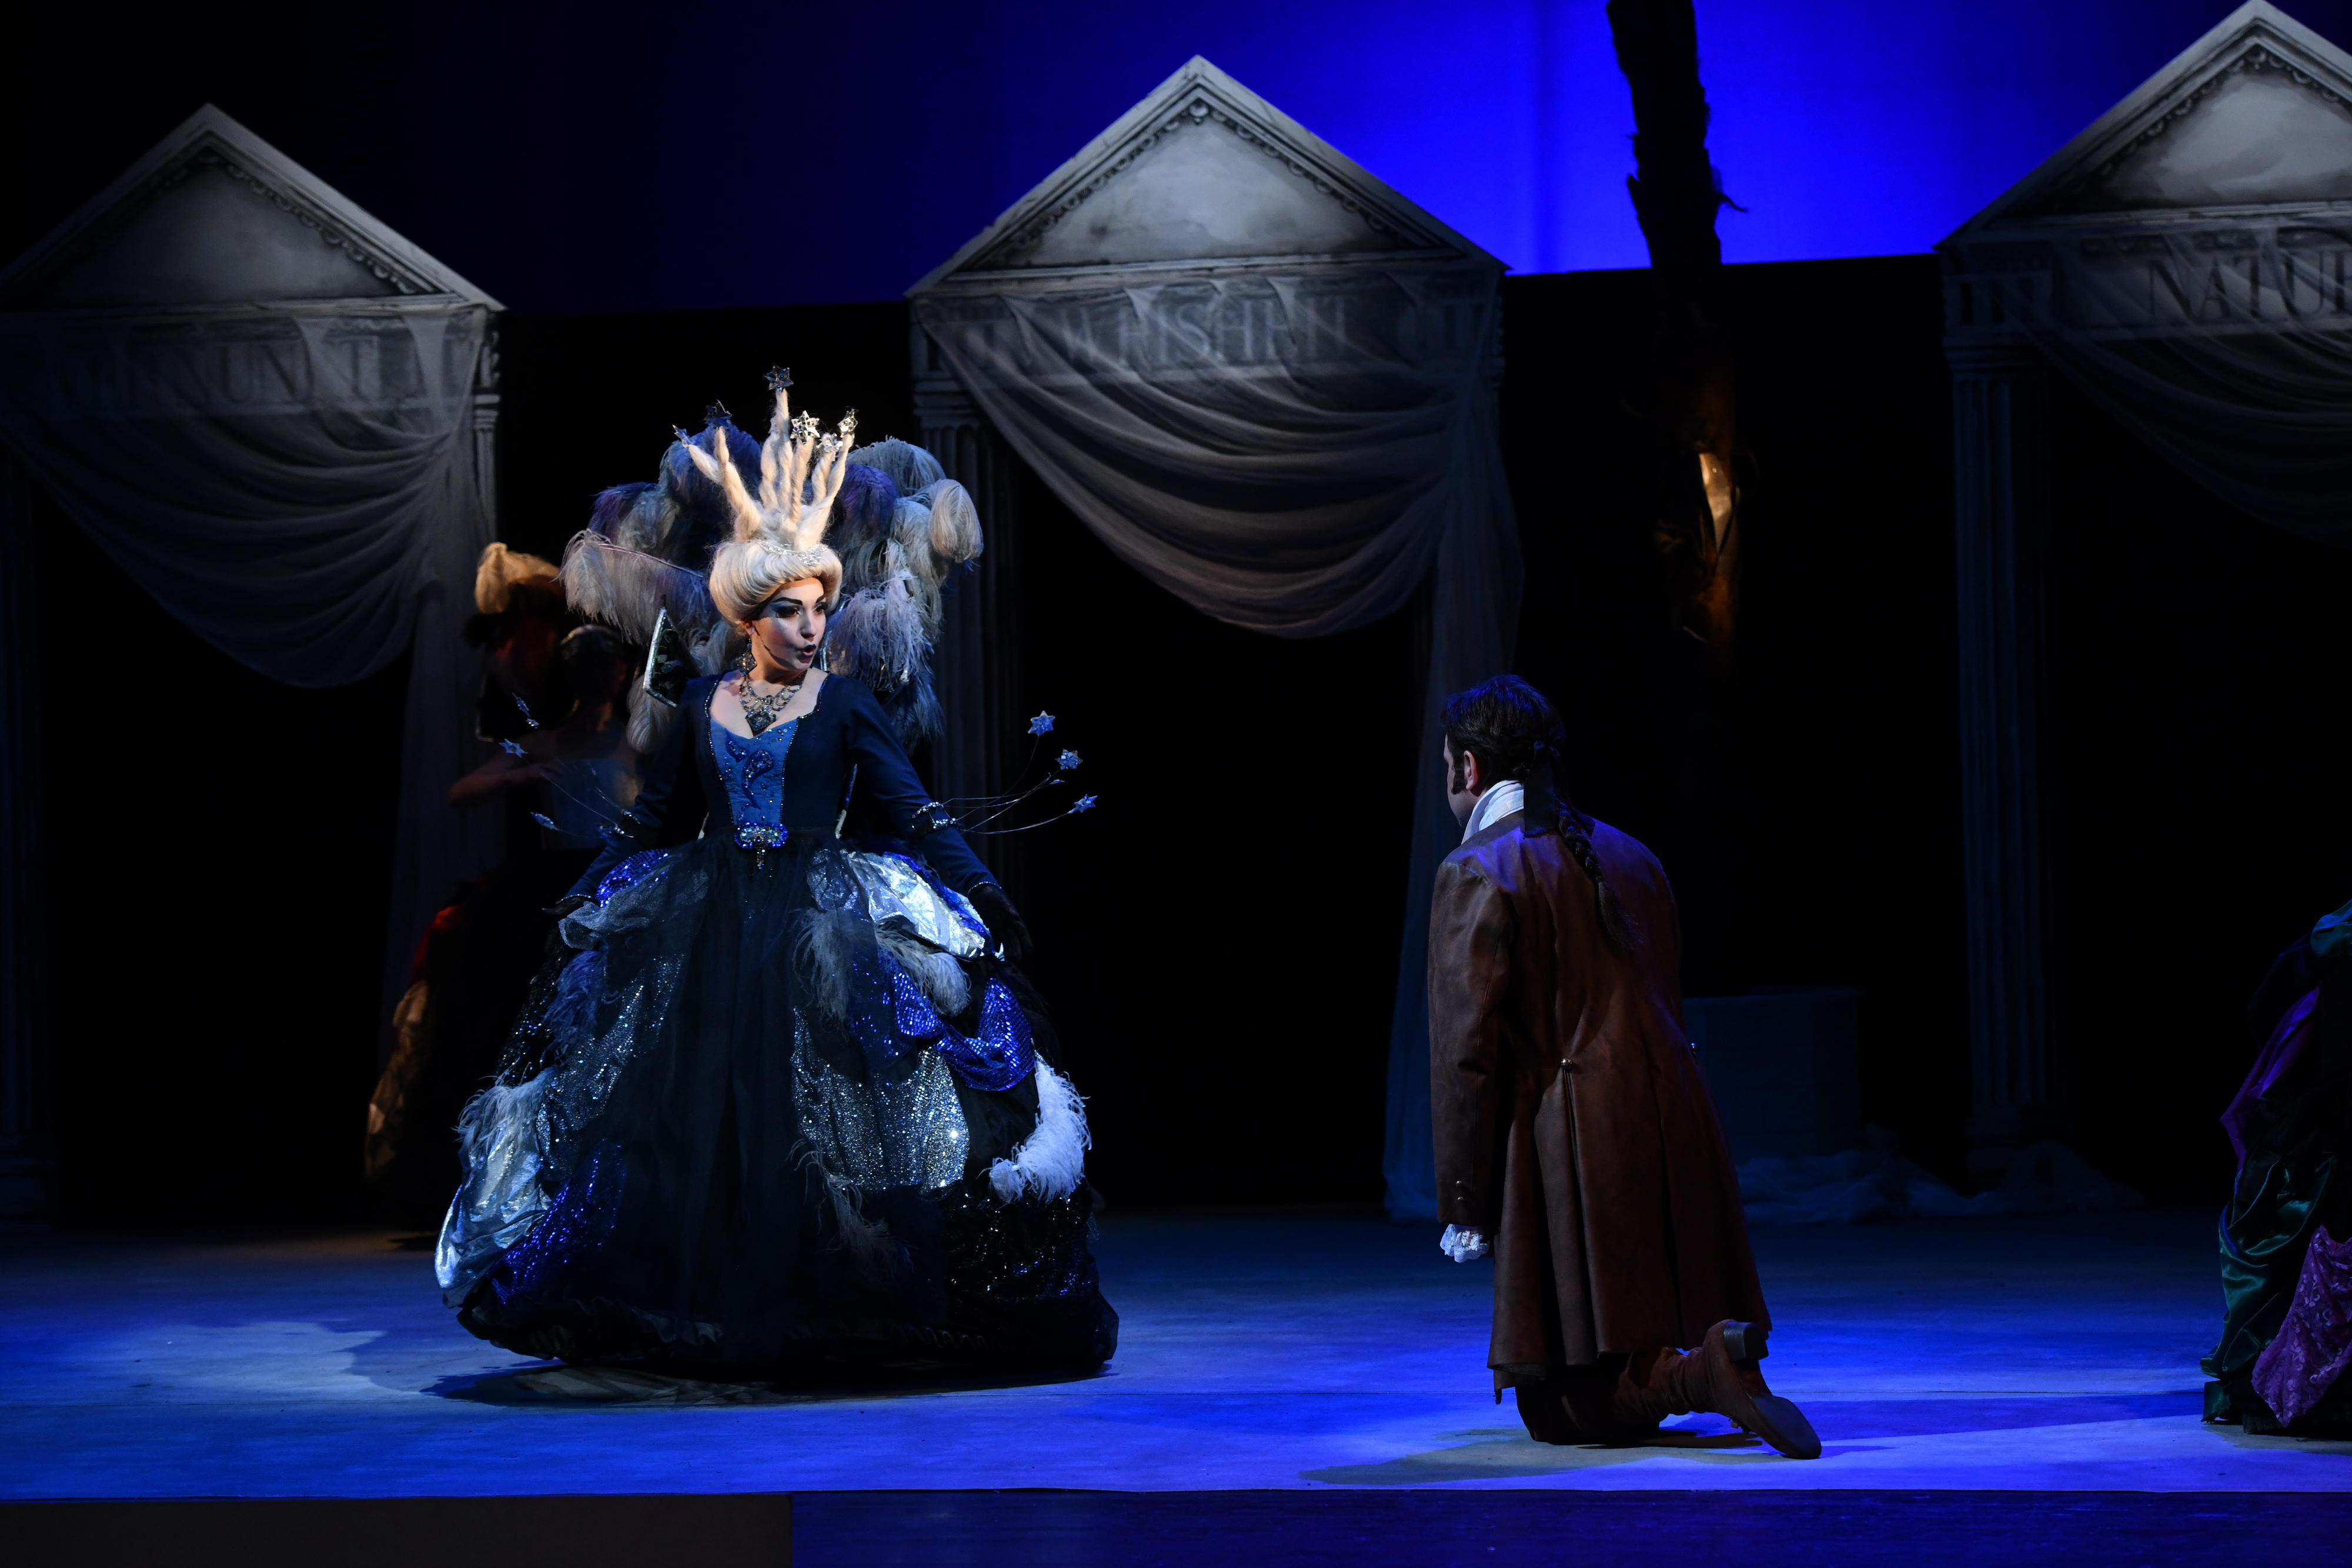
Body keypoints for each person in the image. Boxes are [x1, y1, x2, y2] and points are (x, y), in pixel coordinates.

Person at [434, 374, 1115, 1372]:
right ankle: (708, 1298)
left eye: (820, 609)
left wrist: (981, 886)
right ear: (751, 616)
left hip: (818, 919)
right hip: (710, 917)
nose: (811, 627)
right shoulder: (701, 704)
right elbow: (657, 818)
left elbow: (913, 809)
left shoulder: (843, 705)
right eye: (791, 611)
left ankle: (837, 1297)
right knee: (700, 1111)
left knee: (830, 1113)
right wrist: (589, 889)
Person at [1426, 674, 1819, 1457]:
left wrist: (1466, 1199)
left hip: (1570, 1138)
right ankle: (1706, 1367)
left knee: (1562, 1412)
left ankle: (1704, 1374)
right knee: (1600, 1374)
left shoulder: (1476, 868)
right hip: (1672, 1119)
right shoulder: (1634, 856)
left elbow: (1465, 1053)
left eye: (1446, 766)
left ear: (1469, 768)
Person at [2204, 897, 2352, 1435]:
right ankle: (2298, 1388)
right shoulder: (2333, 950)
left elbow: (2265, 1008)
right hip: (2326, 1127)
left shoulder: (2327, 944)